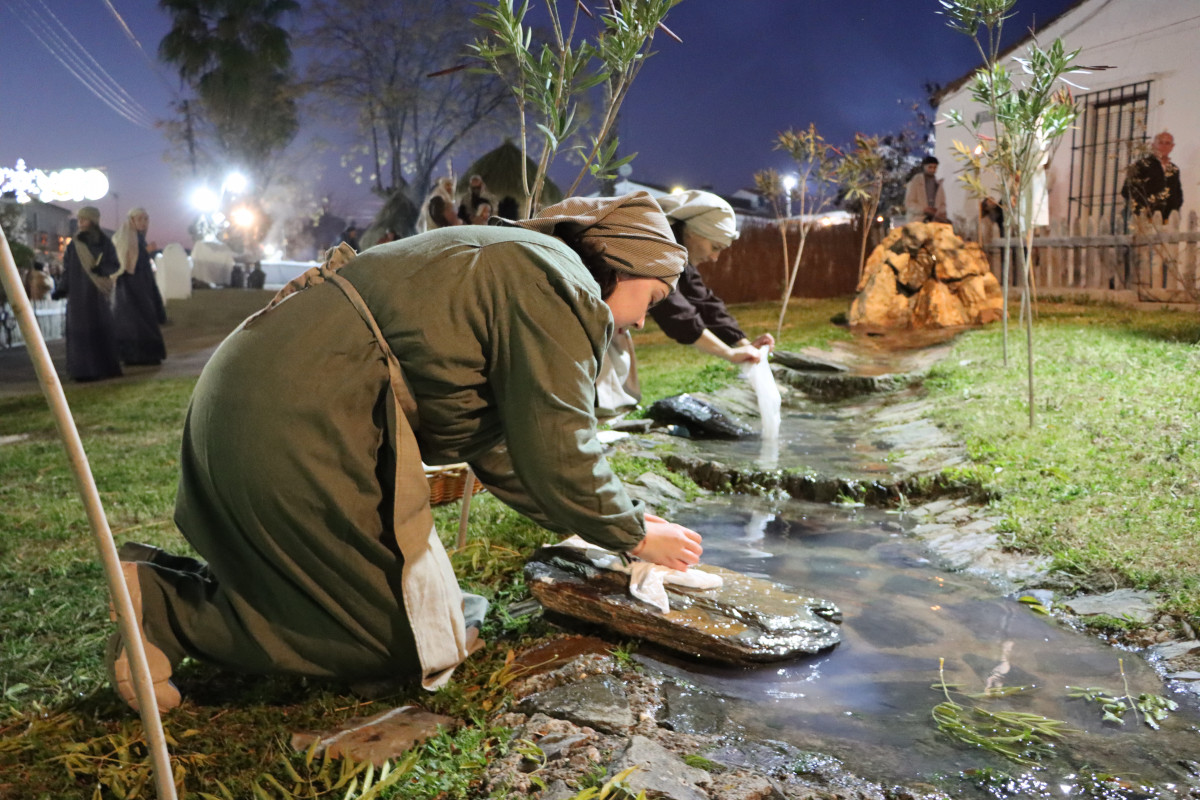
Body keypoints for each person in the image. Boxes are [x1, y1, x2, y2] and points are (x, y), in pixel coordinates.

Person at [106, 191, 704, 712]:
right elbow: (558, 445)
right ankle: (167, 610)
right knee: (396, 643)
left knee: (447, 618)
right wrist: (632, 536)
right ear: (620, 268)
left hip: (263, 386)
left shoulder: (525, 265)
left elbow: (503, 447)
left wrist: (607, 524)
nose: (644, 323)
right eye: (651, 299)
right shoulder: (562, 287)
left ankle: (171, 595)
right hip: (299, 411)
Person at [652, 190, 775, 364]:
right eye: (715, 247)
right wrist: (728, 353)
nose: (714, 258)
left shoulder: (678, 250)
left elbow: (701, 300)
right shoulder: (654, 247)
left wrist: (742, 343)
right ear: (693, 232)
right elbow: (673, 309)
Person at [51, 206, 122, 382]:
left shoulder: (104, 242)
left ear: (93, 221)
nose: (81, 222)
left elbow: (115, 264)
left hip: (96, 295)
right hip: (77, 297)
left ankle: (103, 368)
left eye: (85, 219)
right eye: (80, 219)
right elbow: (68, 270)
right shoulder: (74, 245)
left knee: (99, 331)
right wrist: (61, 288)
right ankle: (82, 371)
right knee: (79, 334)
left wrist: (101, 269)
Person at [111, 207, 167, 366]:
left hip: (142, 285)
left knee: (146, 319)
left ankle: (148, 355)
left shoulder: (139, 238)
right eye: (140, 219)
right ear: (132, 221)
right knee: (132, 322)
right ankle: (134, 356)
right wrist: (145, 251)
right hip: (129, 288)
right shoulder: (124, 237)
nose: (143, 222)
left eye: (146, 219)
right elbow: (125, 260)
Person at [1121, 132, 1183, 222]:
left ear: (1172, 147)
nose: (1164, 146)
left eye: (1167, 143)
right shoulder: (1141, 165)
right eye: (1161, 143)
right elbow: (1127, 191)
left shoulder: (1174, 169)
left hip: (1166, 221)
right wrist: (1144, 211)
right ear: (1153, 145)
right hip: (1142, 219)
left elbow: (1178, 195)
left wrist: (1171, 214)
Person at [905, 156, 949, 224]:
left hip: (934, 221)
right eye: (930, 167)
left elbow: (942, 204)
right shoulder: (915, 182)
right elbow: (909, 203)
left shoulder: (938, 184)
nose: (932, 170)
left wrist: (937, 212)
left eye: (934, 167)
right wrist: (924, 209)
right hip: (918, 221)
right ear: (924, 167)